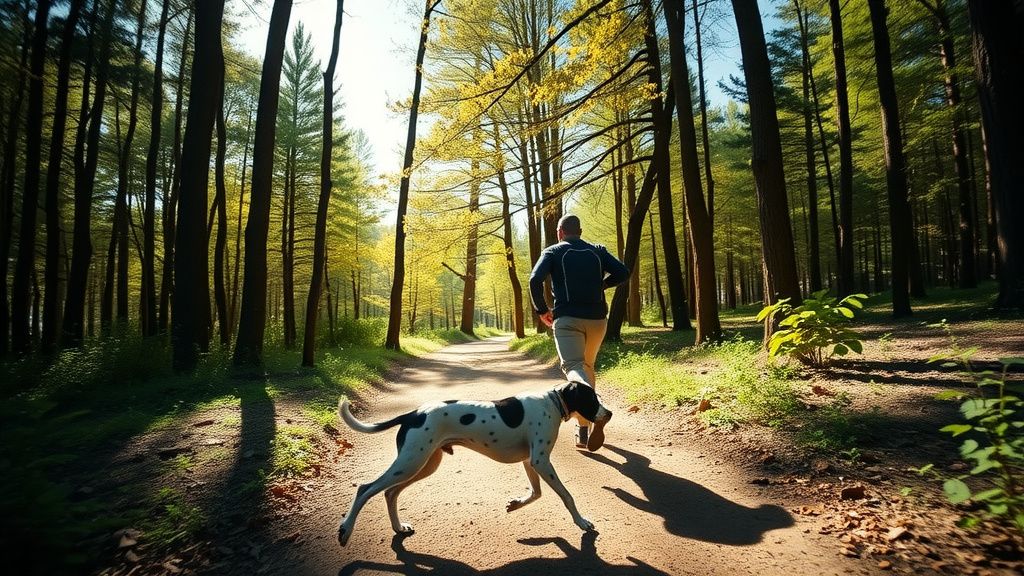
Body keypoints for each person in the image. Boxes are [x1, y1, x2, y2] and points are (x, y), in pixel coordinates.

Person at [528, 214, 630, 450]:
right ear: (580, 231)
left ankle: (598, 409)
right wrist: (602, 284)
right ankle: (583, 430)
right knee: (586, 368)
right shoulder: (597, 250)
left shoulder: (553, 251)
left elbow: (535, 279)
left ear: (559, 232)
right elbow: (623, 272)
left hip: (567, 319)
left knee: (573, 368)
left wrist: (542, 310)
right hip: (597, 321)